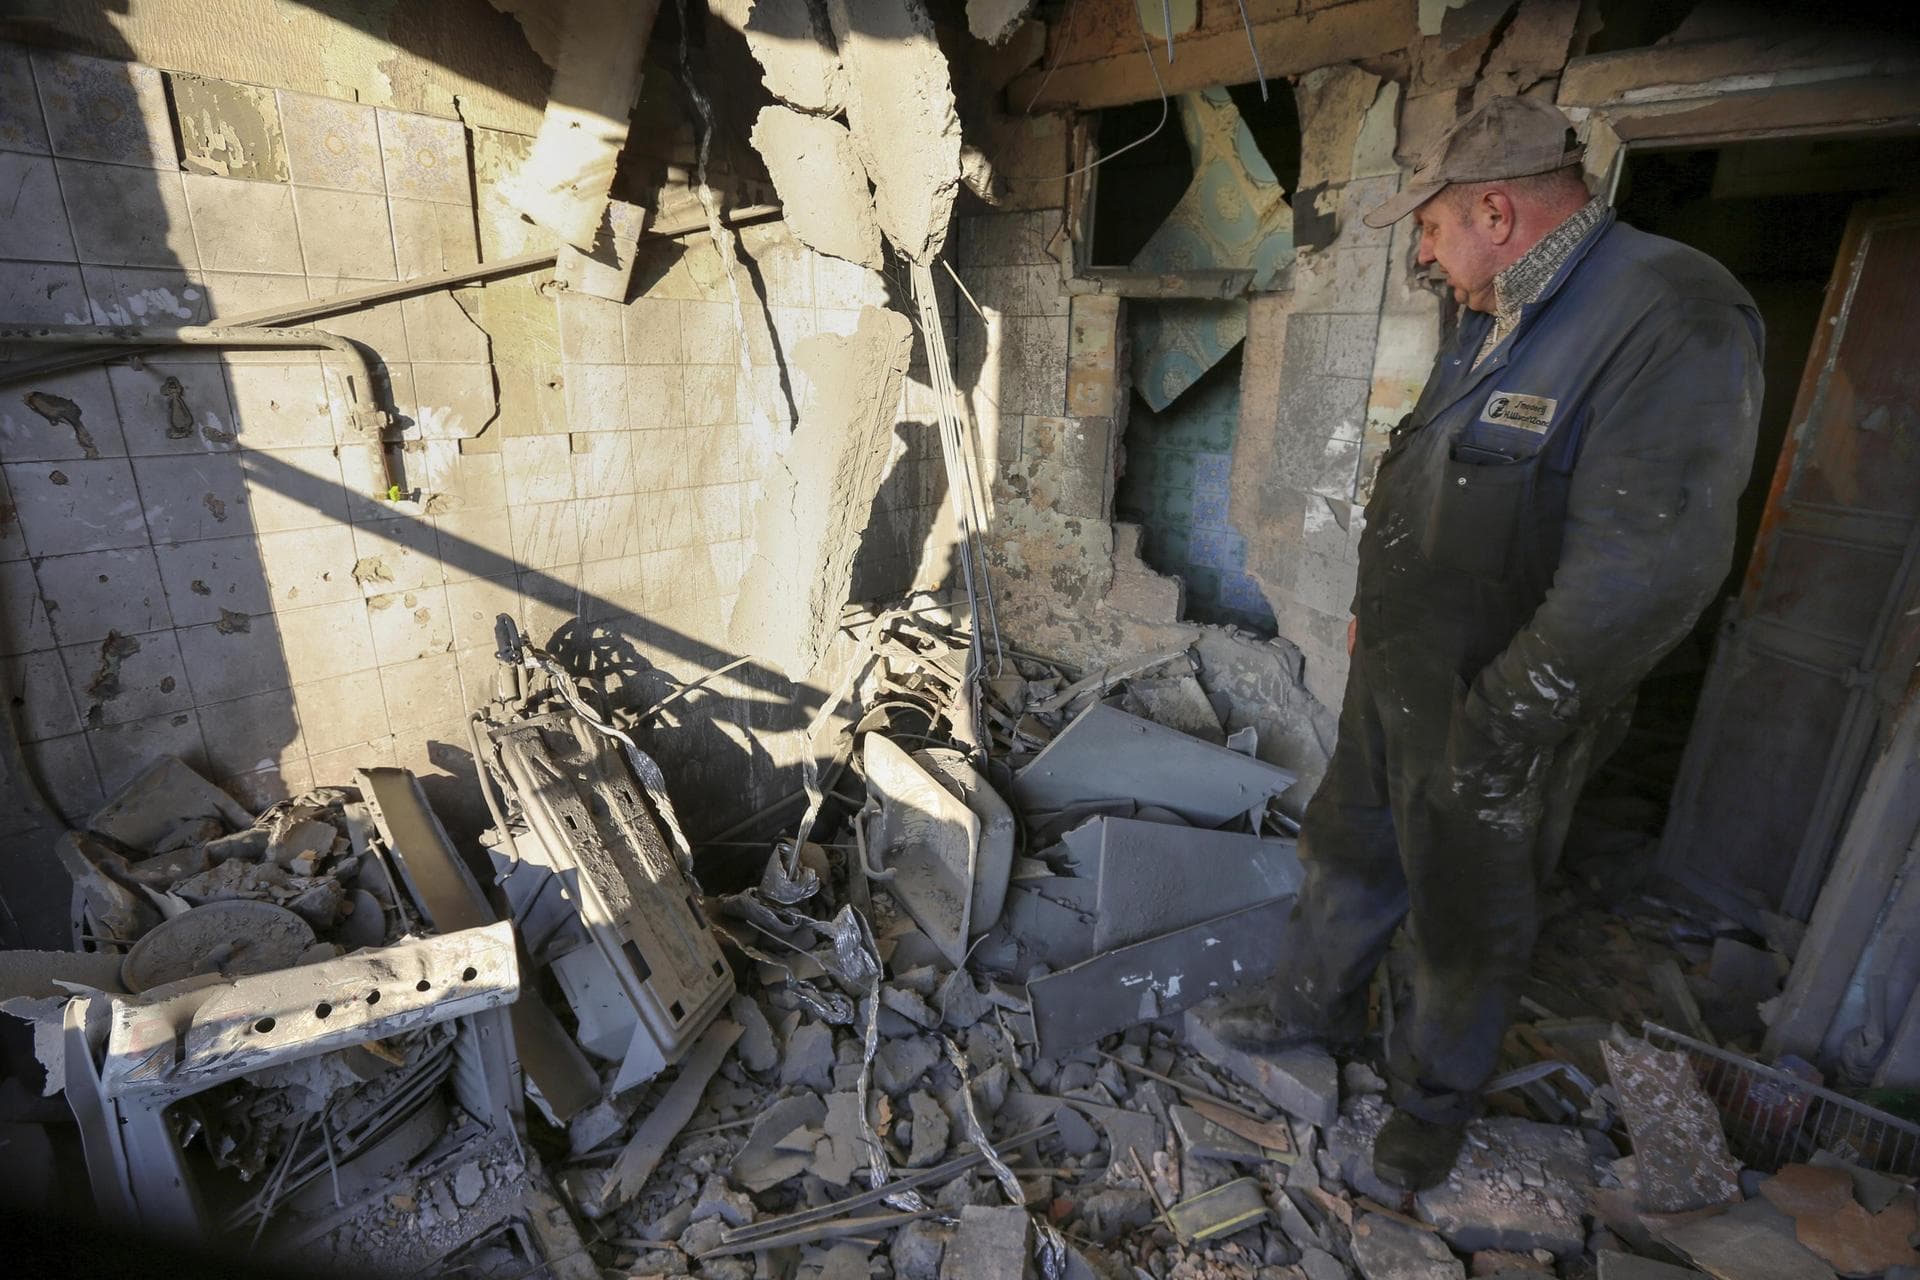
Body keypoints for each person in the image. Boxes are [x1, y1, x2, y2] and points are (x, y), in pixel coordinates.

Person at [1208, 95, 1764, 1191]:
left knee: (1468, 911)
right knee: (1350, 845)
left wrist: (1508, 719)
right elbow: (1450, 483)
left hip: (1506, 703)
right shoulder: (1499, 310)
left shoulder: (1671, 312)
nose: (1424, 252)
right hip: (1402, 673)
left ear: (1497, 210)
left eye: (1432, 228)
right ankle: (1307, 1007)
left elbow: (1646, 571)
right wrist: (1379, 620)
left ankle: (1428, 1107)